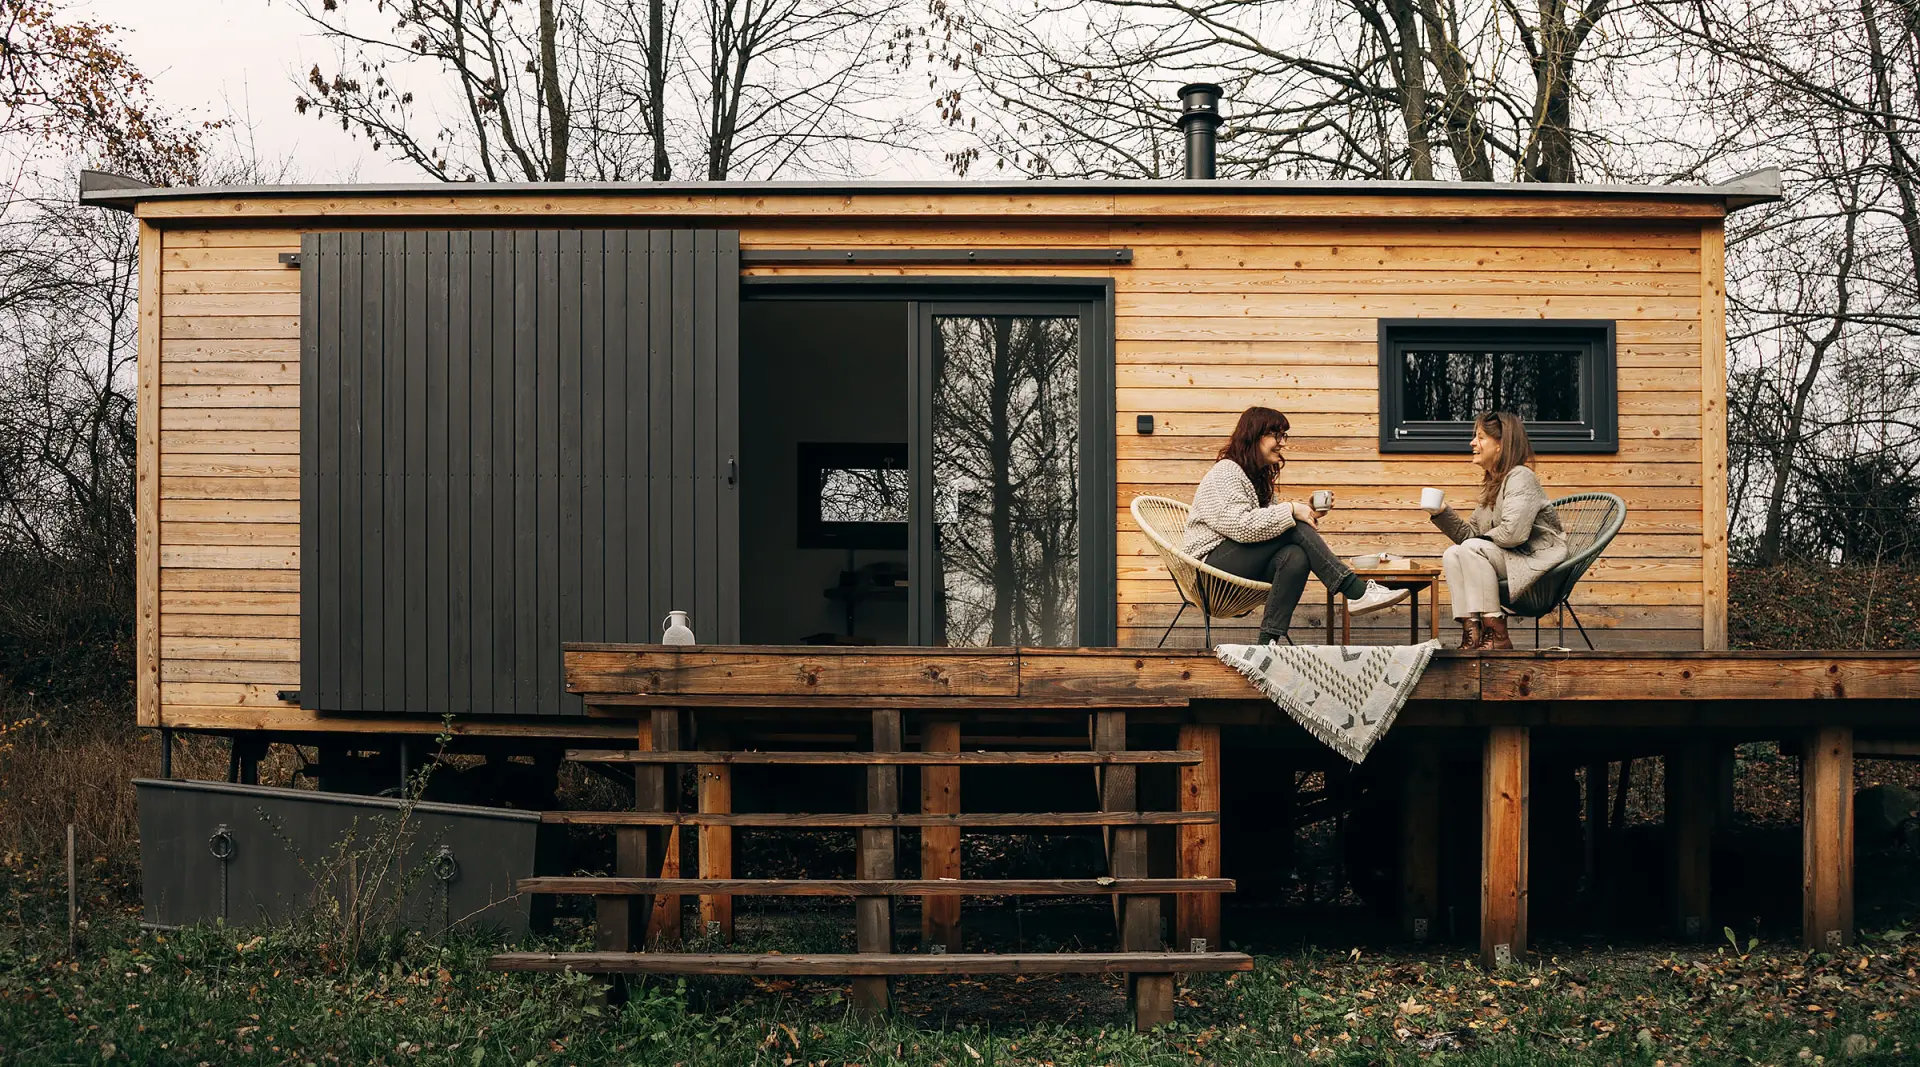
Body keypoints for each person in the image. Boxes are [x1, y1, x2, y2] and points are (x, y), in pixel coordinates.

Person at [1183, 405, 1409, 645]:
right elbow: (1240, 525)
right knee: (1291, 525)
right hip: (1208, 574)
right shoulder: (1226, 472)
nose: (1282, 443)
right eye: (1276, 435)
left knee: (1295, 556)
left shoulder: (1257, 478)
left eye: (1284, 436)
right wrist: (1292, 510)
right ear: (1254, 435)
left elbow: (1269, 526)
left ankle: (1268, 643)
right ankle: (1356, 592)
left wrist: (1307, 512)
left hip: (1236, 568)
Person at [1427, 411, 1568, 650]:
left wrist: (1478, 544)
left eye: (1481, 437)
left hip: (1538, 566)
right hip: (1510, 560)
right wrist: (1441, 512)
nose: (1472, 443)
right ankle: (1472, 632)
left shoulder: (1520, 477)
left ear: (1501, 445)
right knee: (1453, 554)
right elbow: (1468, 537)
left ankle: (1497, 635)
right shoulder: (1495, 484)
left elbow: (1514, 534)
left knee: (1471, 549)